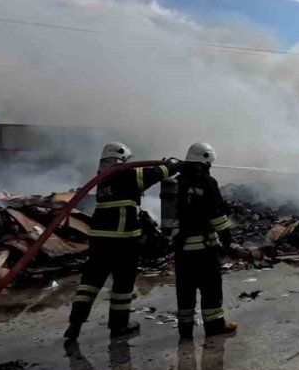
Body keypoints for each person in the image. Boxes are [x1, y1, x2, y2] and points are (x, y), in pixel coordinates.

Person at [65, 142, 180, 340]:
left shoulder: (103, 180)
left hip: (100, 240)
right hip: (123, 240)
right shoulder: (124, 174)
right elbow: (152, 175)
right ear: (122, 159)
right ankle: (119, 326)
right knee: (123, 285)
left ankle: (74, 325)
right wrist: (171, 166)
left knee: (90, 283)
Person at [174, 142, 236, 339]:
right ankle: (215, 325)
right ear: (206, 159)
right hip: (204, 248)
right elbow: (216, 215)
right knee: (210, 288)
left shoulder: (177, 182)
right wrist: (228, 241)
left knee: (185, 289)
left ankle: (185, 329)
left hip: (182, 249)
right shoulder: (207, 182)